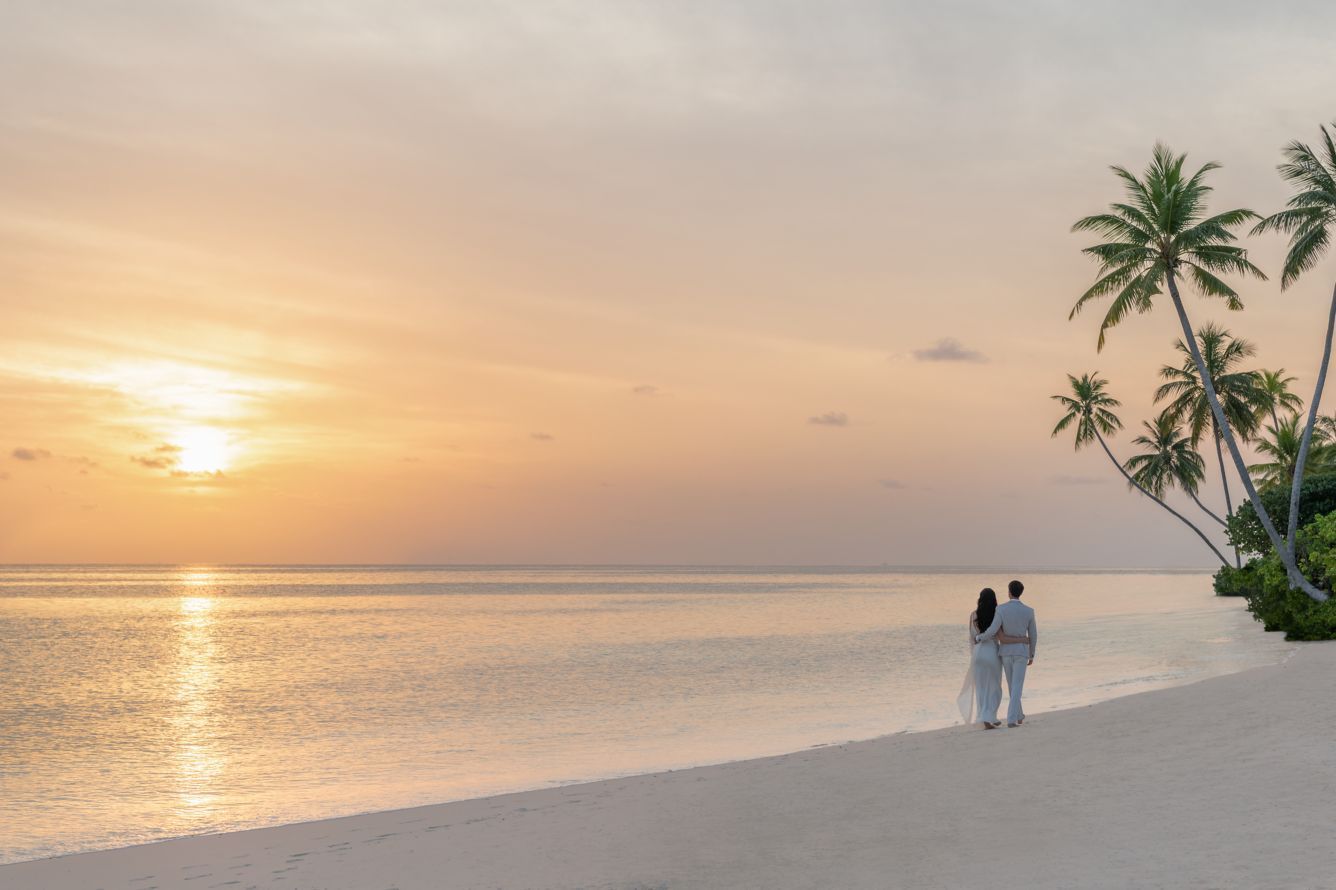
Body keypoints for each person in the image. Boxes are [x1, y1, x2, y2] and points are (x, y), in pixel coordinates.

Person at [957, 587, 1029, 729]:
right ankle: (990, 716)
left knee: (981, 687)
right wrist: (1022, 640)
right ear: (994, 600)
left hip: (977, 653)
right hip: (991, 652)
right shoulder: (997, 614)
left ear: (980, 599)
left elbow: (972, 638)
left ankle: (986, 719)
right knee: (994, 686)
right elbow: (1001, 637)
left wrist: (974, 654)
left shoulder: (973, 615)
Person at [975, 579, 1037, 728]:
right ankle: (1011, 719)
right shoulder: (1029, 611)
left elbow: (992, 630)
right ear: (1020, 593)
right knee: (1017, 686)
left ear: (1009, 592)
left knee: (1012, 686)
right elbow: (1033, 635)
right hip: (1021, 652)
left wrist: (979, 637)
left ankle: (1018, 715)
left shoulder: (1001, 609)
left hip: (1005, 653)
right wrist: (1032, 654)